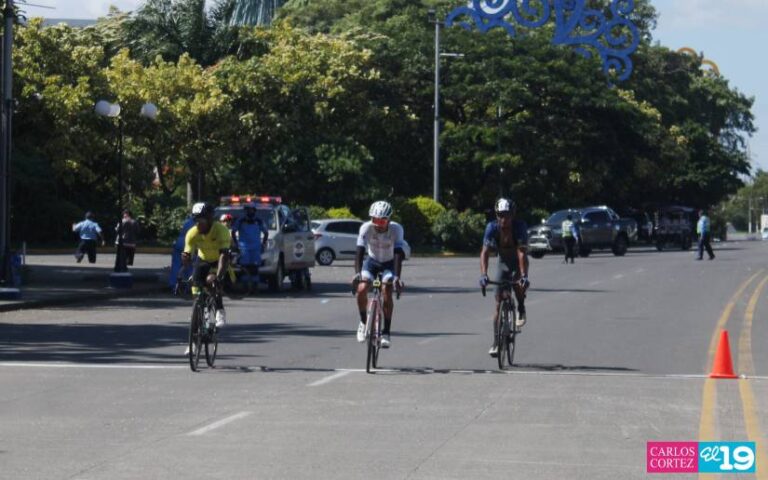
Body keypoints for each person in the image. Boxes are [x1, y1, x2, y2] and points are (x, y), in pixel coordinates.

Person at [479, 198, 530, 357]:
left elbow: (521, 253)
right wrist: (483, 275)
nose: (503, 219)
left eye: (507, 215)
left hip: (518, 261)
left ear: (512, 215)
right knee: (497, 304)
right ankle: (496, 342)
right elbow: (485, 253)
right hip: (503, 262)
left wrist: (523, 276)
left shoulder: (519, 227)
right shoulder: (492, 228)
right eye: (500, 215)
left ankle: (521, 306)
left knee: (517, 284)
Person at [353, 200, 405, 348]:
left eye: (382, 221)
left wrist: (396, 277)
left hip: (389, 263)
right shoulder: (365, 228)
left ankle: (386, 332)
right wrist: (357, 274)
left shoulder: (397, 229)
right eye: (375, 220)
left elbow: (398, 254)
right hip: (372, 262)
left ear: (388, 220)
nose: (378, 224)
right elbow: (359, 252)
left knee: (387, 290)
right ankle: (363, 322)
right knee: (362, 289)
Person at [181, 202, 231, 332]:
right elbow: (188, 252)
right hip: (202, 260)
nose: (198, 223)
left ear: (210, 219)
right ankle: (200, 317)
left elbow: (224, 256)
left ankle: (220, 310)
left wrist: (218, 277)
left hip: (218, 260)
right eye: (196, 220)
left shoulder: (221, 230)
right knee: (196, 287)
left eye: (201, 220)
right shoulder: (192, 233)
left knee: (211, 281)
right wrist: (185, 258)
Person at [231, 203, 268, 292]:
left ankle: (255, 285)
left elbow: (266, 232)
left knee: (255, 266)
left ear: (254, 211)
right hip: (244, 247)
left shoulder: (259, 221)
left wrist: (263, 243)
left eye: (251, 210)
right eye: (247, 210)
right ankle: (245, 285)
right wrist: (236, 243)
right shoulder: (240, 221)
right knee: (245, 266)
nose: (249, 211)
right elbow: (233, 232)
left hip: (256, 247)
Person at [169, 215, 196, 288]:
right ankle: (189, 286)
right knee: (190, 265)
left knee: (176, 265)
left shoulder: (187, 221)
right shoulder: (197, 224)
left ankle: (173, 284)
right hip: (189, 244)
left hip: (179, 242)